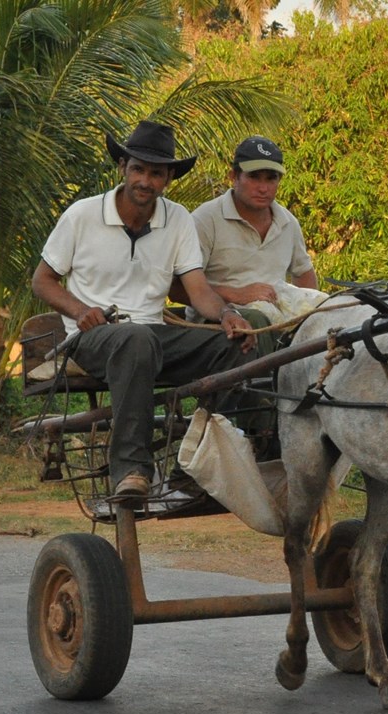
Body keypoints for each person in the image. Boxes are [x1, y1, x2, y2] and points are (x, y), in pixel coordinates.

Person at [30, 120, 253, 500]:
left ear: (167, 179)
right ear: (122, 168)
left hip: (151, 336)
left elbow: (198, 290)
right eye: (138, 169)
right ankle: (131, 470)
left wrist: (227, 314)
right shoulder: (83, 215)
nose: (145, 181)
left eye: (156, 173)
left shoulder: (178, 219)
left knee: (235, 346)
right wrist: (81, 309)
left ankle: (197, 467)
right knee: (134, 339)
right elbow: (43, 280)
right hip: (93, 338)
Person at [187, 135, 317, 355]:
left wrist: (310, 310)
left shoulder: (287, 222)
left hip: (276, 318)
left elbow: (304, 274)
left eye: (271, 178)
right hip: (218, 319)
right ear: (233, 177)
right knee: (256, 319)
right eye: (254, 177)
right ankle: (268, 385)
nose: (263, 187)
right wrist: (236, 294)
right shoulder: (206, 219)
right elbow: (180, 285)